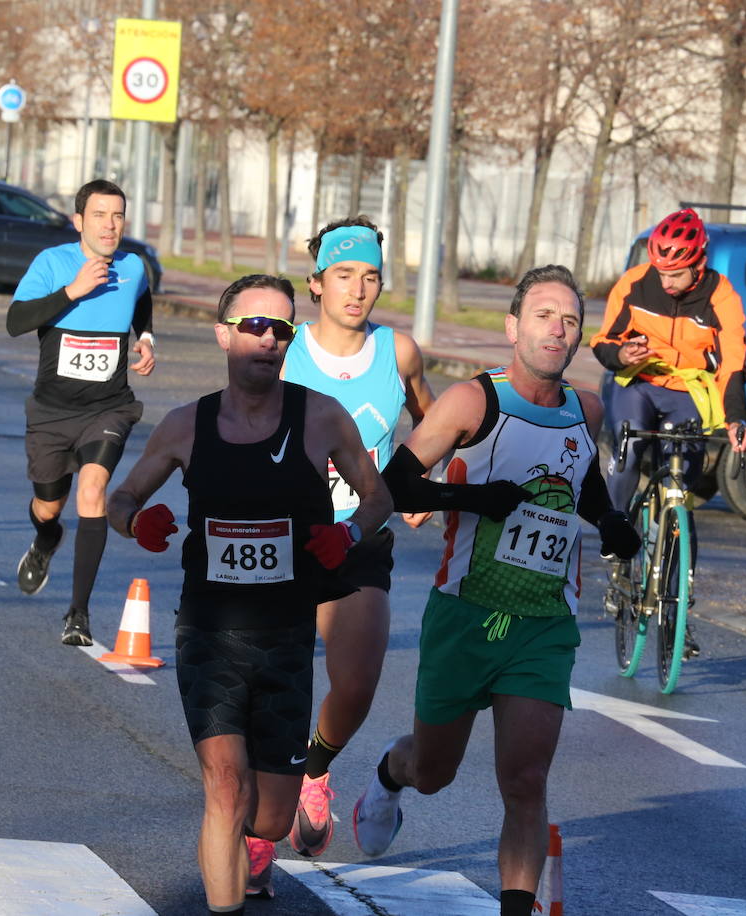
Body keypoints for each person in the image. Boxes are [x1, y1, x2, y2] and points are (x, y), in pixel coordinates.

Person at [350, 265, 640, 916]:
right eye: (543, 315)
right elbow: (398, 484)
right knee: (434, 772)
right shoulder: (472, 403)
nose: (557, 330)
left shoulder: (585, 408)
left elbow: (583, 483)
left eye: (569, 320)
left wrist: (612, 522)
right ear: (513, 326)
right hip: (466, 615)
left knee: (527, 779)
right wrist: (475, 497)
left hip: (544, 622)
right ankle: (387, 777)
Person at [105, 274, 392, 913]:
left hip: (286, 638)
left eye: (281, 329)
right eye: (253, 326)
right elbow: (120, 496)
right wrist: (136, 521)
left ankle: (267, 832)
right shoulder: (187, 425)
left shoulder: (320, 417)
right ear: (223, 335)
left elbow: (380, 497)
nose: (267, 339)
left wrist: (346, 535)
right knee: (224, 790)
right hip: (209, 633)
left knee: (267, 819)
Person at [275, 217, 435, 863]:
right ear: (316, 283)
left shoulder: (397, 352)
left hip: (360, 537)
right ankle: (265, 816)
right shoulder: (284, 352)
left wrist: (421, 481)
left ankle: (314, 770)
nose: (358, 290)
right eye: (344, 276)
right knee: (273, 682)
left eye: (370, 277)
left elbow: (433, 422)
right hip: (283, 537)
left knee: (358, 684)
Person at [589, 208, 746, 655]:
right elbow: (602, 342)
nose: (666, 281)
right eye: (661, 269)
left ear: (698, 262)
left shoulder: (721, 296)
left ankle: (678, 613)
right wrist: (624, 354)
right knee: (626, 447)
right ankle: (615, 532)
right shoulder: (636, 282)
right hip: (639, 383)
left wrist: (737, 419)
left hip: (687, 392)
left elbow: (734, 362)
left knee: (680, 492)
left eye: (676, 273)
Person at [6, 179, 156, 646]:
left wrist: (146, 337)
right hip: (52, 411)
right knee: (48, 504)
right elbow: (15, 322)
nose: (110, 226)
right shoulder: (52, 264)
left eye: (117, 216)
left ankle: (78, 614)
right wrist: (72, 291)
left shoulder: (134, 267)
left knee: (92, 491)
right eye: (99, 216)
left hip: (107, 407)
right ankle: (46, 538)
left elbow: (142, 301)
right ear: (79, 221)